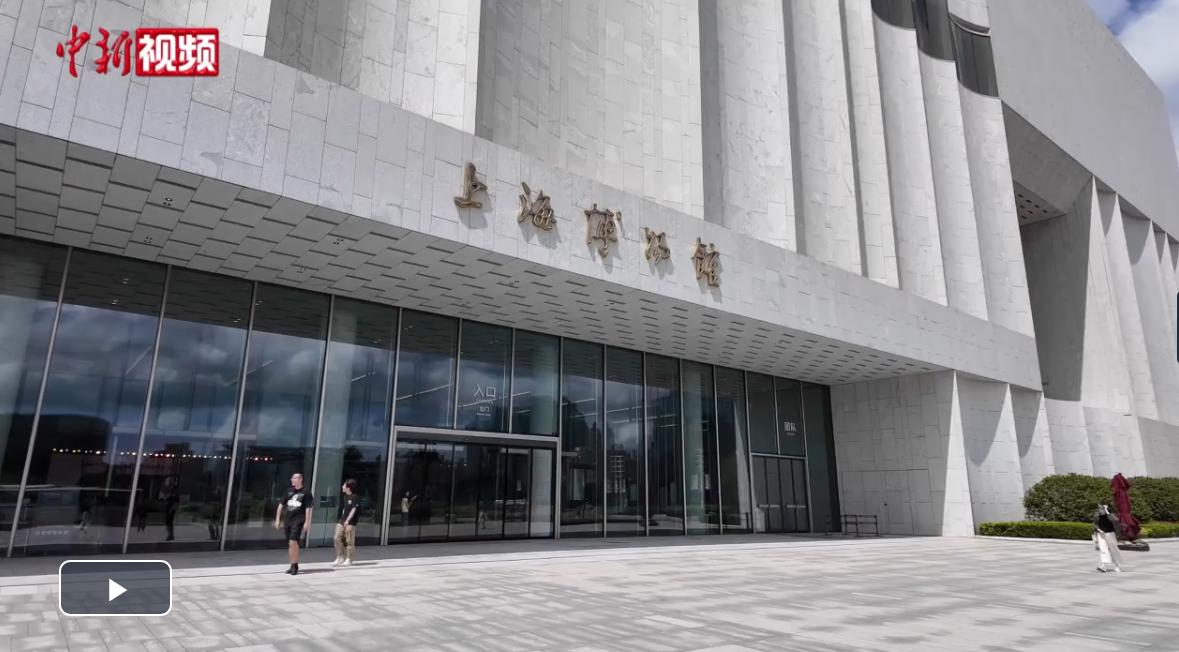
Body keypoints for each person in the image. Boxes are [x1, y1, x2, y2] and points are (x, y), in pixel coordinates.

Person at [274, 473, 313, 575]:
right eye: (292, 478)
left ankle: (294, 565)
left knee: (293, 541)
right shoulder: (288, 491)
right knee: (290, 544)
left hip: (299, 519)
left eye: (294, 478)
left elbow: (308, 508)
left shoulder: (306, 492)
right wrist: (277, 519)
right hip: (288, 520)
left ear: (300, 479)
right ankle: (293, 564)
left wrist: (307, 522)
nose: (292, 480)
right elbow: (281, 505)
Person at [333, 479, 360, 567]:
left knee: (349, 541)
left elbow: (354, 509)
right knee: (337, 538)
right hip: (342, 521)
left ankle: (349, 559)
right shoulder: (345, 497)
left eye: (344, 485)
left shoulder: (355, 497)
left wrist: (348, 520)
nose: (342, 487)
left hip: (350, 522)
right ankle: (340, 556)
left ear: (349, 487)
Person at [1093, 504, 1124, 573]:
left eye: (1102, 509)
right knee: (1103, 549)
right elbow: (1095, 525)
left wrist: (1108, 513)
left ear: (1105, 509)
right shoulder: (1097, 516)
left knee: (1113, 549)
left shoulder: (1110, 516)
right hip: (1101, 535)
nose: (1100, 510)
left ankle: (1117, 566)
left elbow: (1116, 520)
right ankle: (1103, 566)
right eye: (1099, 509)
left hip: (1110, 534)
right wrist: (1099, 530)